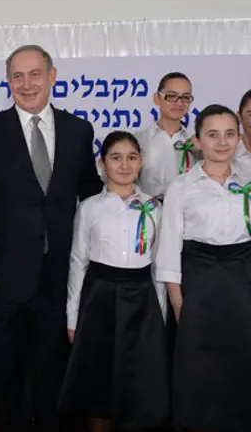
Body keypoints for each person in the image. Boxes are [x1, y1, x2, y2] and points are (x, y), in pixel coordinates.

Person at [0, 44, 103, 432]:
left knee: (53, 369)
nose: (27, 84)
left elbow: (91, 194)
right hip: (2, 278)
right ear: (8, 81)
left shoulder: (79, 130)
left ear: (52, 76)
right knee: (6, 370)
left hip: (59, 275)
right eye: (17, 76)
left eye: (35, 74)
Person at [156, 104, 251, 432]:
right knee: (201, 372)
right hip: (199, 286)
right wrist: (180, 306)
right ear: (198, 141)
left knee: (245, 367)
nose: (222, 142)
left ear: (238, 139)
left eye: (229, 134)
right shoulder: (181, 187)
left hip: (244, 286)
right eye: (213, 135)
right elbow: (169, 254)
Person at [58, 131, 169, 432]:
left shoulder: (155, 208)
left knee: (138, 382)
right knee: (99, 378)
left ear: (141, 162)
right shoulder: (90, 207)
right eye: (115, 158)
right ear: (101, 164)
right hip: (100, 298)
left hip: (141, 299)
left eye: (132, 157)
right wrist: (72, 317)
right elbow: (78, 262)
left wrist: (160, 313)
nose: (124, 165)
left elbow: (159, 266)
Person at [136, 72, 197, 202]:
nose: (179, 102)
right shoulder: (138, 141)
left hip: (187, 213)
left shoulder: (197, 143)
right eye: (172, 96)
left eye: (185, 97)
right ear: (157, 98)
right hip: (147, 213)